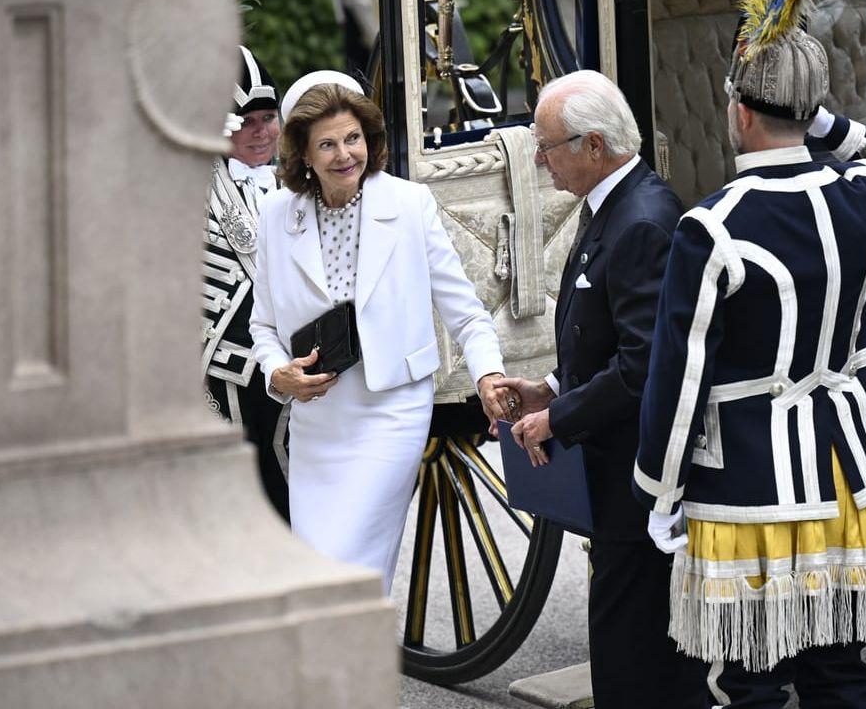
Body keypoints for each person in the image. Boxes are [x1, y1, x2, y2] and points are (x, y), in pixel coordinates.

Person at [631, 26, 866, 707]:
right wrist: (829, 124)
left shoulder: (710, 228)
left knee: (748, 686)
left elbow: (680, 381)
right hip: (846, 481)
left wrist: (659, 490)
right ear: (810, 111)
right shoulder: (862, 194)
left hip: (749, 489)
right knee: (840, 677)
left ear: (739, 111)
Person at [248, 71, 514, 593]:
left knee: (350, 571)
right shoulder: (276, 216)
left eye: (353, 139)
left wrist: (488, 376)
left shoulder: (410, 206)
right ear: (303, 153)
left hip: (391, 414)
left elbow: (466, 313)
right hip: (317, 425)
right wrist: (278, 374)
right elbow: (263, 326)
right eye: (326, 144)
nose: (345, 154)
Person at [497, 70, 709, 709]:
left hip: (637, 474)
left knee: (632, 653)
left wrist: (558, 418)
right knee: (632, 646)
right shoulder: (613, 206)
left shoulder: (641, 220)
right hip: (619, 470)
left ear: (593, 146)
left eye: (546, 144)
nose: (538, 158)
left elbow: (643, 365)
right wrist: (549, 387)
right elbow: (607, 335)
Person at [202, 46, 290, 522]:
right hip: (224, 370)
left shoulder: (291, 179)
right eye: (246, 120)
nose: (260, 131)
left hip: (288, 365)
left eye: (267, 117)